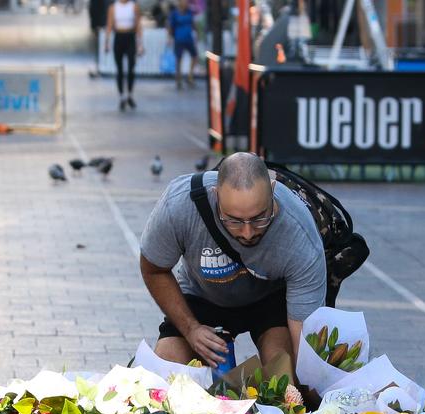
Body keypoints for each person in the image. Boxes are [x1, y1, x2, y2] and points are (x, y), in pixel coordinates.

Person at [139, 152, 326, 375]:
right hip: (202, 294)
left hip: (268, 299)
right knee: (165, 373)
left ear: (273, 192)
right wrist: (190, 329)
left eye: (259, 218)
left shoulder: (300, 236)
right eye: (234, 221)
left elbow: (304, 345)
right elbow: (154, 270)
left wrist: (315, 394)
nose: (247, 233)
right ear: (215, 195)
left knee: (285, 378)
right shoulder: (179, 205)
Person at [105, 0, 143, 111]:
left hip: (130, 37)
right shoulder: (113, 7)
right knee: (120, 70)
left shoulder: (133, 6)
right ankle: (122, 96)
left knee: (131, 67)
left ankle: (130, 94)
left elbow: (138, 25)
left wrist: (140, 44)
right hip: (119, 37)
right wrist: (106, 42)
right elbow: (109, 24)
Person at [168, 0, 197, 89]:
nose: (185, 4)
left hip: (189, 38)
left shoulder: (189, 12)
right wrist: (170, 38)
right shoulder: (174, 13)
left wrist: (196, 34)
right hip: (179, 39)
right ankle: (178, 79)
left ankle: (190, 76)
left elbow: (193, 23)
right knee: (178, 59)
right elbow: (170, 26)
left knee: (194, 56)